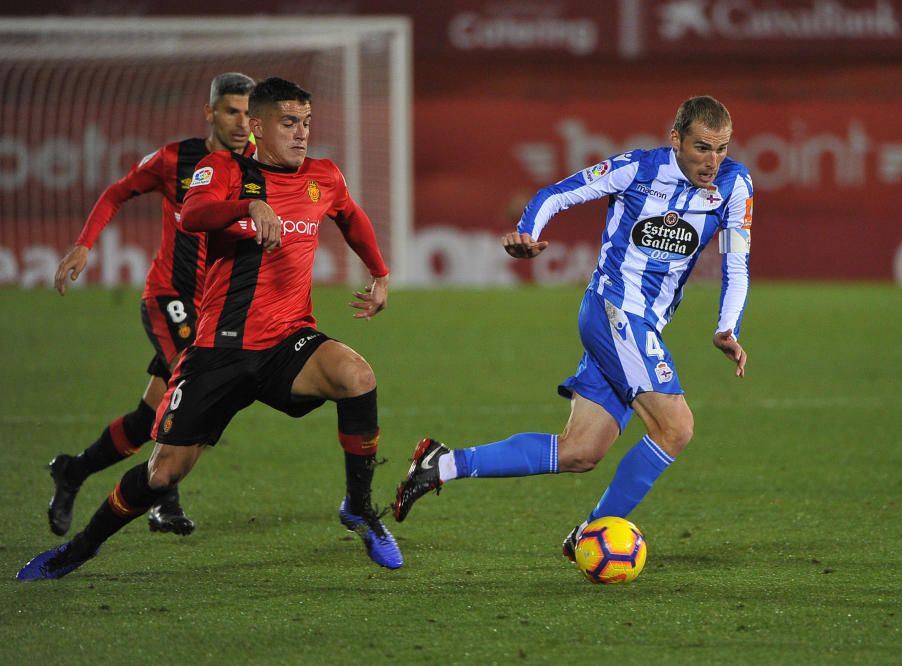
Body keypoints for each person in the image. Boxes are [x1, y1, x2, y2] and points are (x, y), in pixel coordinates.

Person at [17, 77, 402, 580]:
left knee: (358, 376)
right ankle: (78, 550)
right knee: (162, 473)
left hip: (288, 340)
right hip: (219, 349)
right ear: (257, 127)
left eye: (306, 123)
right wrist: (248, 205)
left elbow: (351, 218)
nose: (302, 134)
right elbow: (193, 213)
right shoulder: (219, 169)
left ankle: (359, 506)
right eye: (289, 123)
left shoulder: (323, 176)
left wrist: (379, 273)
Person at [394, 96, 752, 563]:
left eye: (722, 148)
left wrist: (727, 327)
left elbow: (737, 263)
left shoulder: (734, 184)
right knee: (676, 427)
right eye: (703, 148)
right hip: (613, 310)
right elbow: (556, 194)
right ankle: (591, 534)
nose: (713, 161)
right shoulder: (637, 169)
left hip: (643, 325)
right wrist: (528, 231)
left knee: (581, 451)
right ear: (676, 140)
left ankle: (442, 463)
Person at [48, 72, 256, 538]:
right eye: (231, 111)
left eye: (248, 113)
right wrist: (85, 244)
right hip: (169, 297)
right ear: (210, 113)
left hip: (213, 306)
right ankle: (164, 499)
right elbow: (118, 191)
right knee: (193, 381)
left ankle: (73, 471)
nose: (242, 123)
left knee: (149, 417)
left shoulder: (256, 167)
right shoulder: (174, 159)